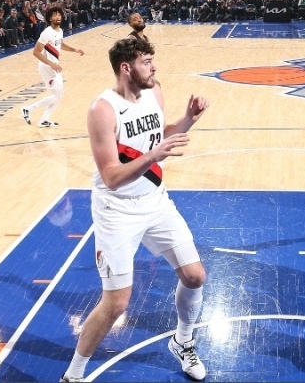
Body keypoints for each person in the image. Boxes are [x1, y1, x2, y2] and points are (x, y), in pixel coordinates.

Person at [61, 38, 210, 382]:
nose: (153, 67)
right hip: (117, 210)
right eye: (146, 61)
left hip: (155, 200)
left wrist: (188, 120)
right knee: (116, 303)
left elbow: (160, 135)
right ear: (126, 68)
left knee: (195, 276)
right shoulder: (103, 110)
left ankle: (183, 341)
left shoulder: (154, 91)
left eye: (152, 60)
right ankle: (73, 375)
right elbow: (111, 176)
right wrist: (153, 156)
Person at [21, 6, 84, 128]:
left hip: (53, 66)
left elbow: (60, 44)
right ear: (50, 18)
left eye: (59, 14)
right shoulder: (47, 33)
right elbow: (36, 52)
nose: (58, 17)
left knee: (59, 95)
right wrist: (51, 64)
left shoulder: (59, 31)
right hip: (46, 66)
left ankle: (44, 119)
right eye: (55, 15)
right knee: (57, 95)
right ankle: (28, 109)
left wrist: (74, 49)